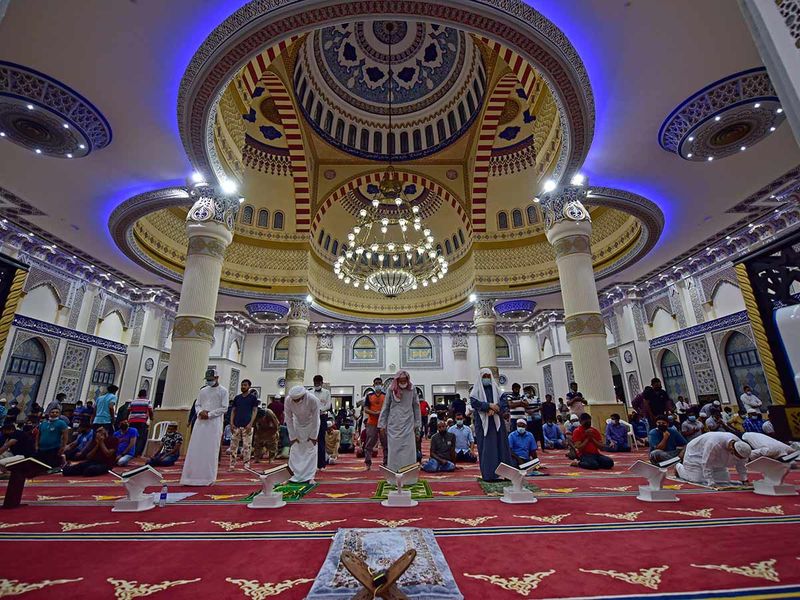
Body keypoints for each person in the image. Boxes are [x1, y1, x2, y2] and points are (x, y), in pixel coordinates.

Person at [180, 368, 228, 486]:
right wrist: (200, 412)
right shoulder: (203, 391)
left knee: (211, 449)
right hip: (200, 422)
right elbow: (197, 404)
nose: (209, 382)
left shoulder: (223, 391)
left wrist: (210, 414)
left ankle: (208, 478)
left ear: (217, 378)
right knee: (196, 448)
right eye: (208, 380)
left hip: (214, 423)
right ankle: (190, 478)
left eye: (211, 379)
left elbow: (224, 407)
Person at [470, 369, 512, 481]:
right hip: (483, 422)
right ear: (480, 378)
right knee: (487, 448)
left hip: (497, 421)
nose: (487, 378)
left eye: (489, 376)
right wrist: (488, 405)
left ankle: (506, 473)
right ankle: (490, 475)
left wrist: (495, 407)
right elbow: (474, 402)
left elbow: (504, 400)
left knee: (502, 446)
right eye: (485, 376)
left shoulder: (496, 388)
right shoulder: (476, 390)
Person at [378, 370, 421, 471]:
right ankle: (394, 472)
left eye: (404, 380)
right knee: (394, 449)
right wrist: (382, 425)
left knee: (408, 449)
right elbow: (386, 407)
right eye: (400, 381)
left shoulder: (412, 389)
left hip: (408, 423)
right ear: (397, 380)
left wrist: (417, 424)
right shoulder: (391, 389)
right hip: (394, 424)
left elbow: (416, 406)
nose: (403, 382)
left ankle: (408, 473)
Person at [676, 432, 751, 487]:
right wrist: (710, 482)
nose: (739, 460)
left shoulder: (741, 447)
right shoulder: (714, 444)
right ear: (732, 450)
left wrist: (744, 479)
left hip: (717, 462)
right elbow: (706, 463)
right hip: (696, 455)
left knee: (725, 480)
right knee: (697, 479)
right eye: (738, 457)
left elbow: (741, 464)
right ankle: (679, 468)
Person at [284, 385, 320, 483]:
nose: (295, 402)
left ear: (303, 396)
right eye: (293, 400)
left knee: (310, 451)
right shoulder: (288, 400)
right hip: (297, 425)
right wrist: (292, 436)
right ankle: (292, 476)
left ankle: (310, 477)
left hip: (311, 425)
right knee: (295, 450)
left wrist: (313, 436)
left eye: (297, 400)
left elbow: (316, 419)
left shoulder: (313, 399)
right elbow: (288, 418)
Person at [229, 379, 259, 470]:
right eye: (242, 385)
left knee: (247, 446)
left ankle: (246, 465)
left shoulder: (253, 398)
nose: (243, 387)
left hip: (247, 426)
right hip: (236, 425)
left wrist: (250, 423)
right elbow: (233, 411)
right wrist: (231, 423)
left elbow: (255, 411)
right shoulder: (237, 398)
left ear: (249, 386)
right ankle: (232, 465)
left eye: (245, 385)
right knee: (233, 446)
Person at [363, 377, 387, 470]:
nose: (378, 385)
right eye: (376, 383)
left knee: (385, 443)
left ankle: (386, 463)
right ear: (373, 385)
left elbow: (388, 408)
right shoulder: (369, 396)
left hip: (383, 423)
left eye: (379, 383)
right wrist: (375, 413)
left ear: (382, 385)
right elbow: (366, 409)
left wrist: (381, 413)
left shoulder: (386, 396)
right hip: (372, 422)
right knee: (369, 443)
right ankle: (368, 463)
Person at [312, 375, 332, 470]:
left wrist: (320, 410)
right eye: (315, 383)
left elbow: (328, 405)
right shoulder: (310, 392)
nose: (317, 384)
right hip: (311, 418)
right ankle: (312, 464)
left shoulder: (326, 392)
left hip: (322, 416)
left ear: (322, 383)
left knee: (321, 440)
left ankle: (321, 464)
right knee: (312, 441)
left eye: (318, 383)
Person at [126, 390, 153, 457]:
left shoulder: (133, 402)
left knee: (132, 436)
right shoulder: (147, 401)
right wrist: (151, 417)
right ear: (145, 395)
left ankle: (130, 451)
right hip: (142, 421)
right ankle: (137, 452)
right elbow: (150, 410)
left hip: (132, 421)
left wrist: (127, 419)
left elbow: (128, 410)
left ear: (138, 394)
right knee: (140, 437)